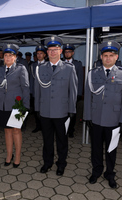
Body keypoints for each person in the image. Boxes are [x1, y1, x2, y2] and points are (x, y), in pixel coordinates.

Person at [84, 41, 122, 188]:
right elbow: (87, 97)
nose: (108, 58)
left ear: (116, 57)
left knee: (111, 150)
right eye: (105, 55)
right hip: (96, 119)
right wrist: (87, 117)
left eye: (111, 55)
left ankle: (110, 174)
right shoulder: (92, 74)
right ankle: (96, 171)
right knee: (96, 149)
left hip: (113, 120)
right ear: (101, 56)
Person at [35, 36, 78, 176]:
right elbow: (37, 90)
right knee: (47, 140)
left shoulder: (69, 68)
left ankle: (61, 164)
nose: (53, 52)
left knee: (61, 140)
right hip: (45, 111)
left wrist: (72, 110)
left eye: (56, 49)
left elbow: (73, 91)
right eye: (50, 50)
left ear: (60, 51)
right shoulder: (40, 69)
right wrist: (37, 108)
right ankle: (47, 163)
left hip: (61, 112)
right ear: (47, 52)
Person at [0, 44, 30, 168]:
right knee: (7, 131)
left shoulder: (21, 69)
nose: (7, 58)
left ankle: (17, 156)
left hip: (17, 105)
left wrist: (25, 106)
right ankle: (9, 155)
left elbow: (25, 88)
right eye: (6, 55)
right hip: (2, 105)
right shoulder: (0, 70)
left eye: (10, 55)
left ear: (15, 57)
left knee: (16, 131)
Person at [63, 44, 84, 138]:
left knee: (72, 113)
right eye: (66, 52)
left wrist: (79, 93)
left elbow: (80, 79)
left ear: (73, 53)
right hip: (62, 94)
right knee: (63, 113)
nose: (67, 54)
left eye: (69, 52)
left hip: (73, 94)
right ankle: (63, 129)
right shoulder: (60, 63)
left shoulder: (78, 64)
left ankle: (71, 130)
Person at [30, 46, 47, 133]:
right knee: (36, 109)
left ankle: (45, 127)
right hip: (36, 92)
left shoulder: (48, 65)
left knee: (44, 110)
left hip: (45, 92)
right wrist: (31, 92)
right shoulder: (33, 65)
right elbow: (31, 79)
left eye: (41, 53)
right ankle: (38, 126)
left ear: (44, 55)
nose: (39, 55)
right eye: (38, 54)